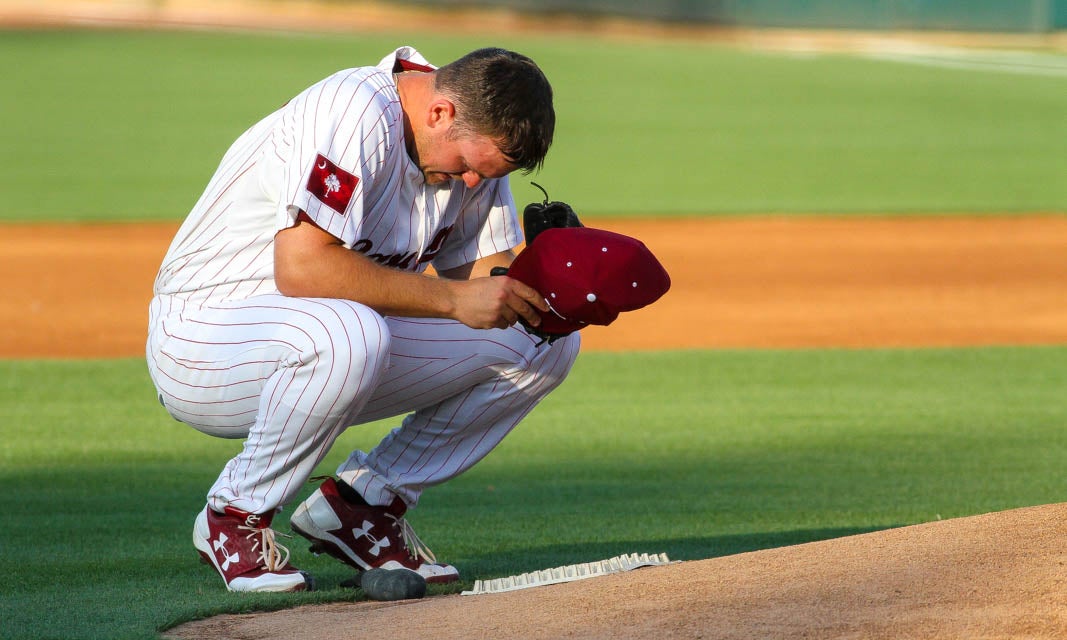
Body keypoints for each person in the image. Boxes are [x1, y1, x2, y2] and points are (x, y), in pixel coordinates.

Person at [146, 46, 581, 592]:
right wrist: (449, 301)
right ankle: (233, 516)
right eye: (470, 165)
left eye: (487, 172)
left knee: (543, 341)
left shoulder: (467, 145)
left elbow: (485, 277)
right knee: (352, 333)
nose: (472, 182)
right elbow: (303, 268)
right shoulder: (354, 113)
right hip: (206, 338)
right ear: (441, 112)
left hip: (321, 340)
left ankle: (360, 506)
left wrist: (555, 279)